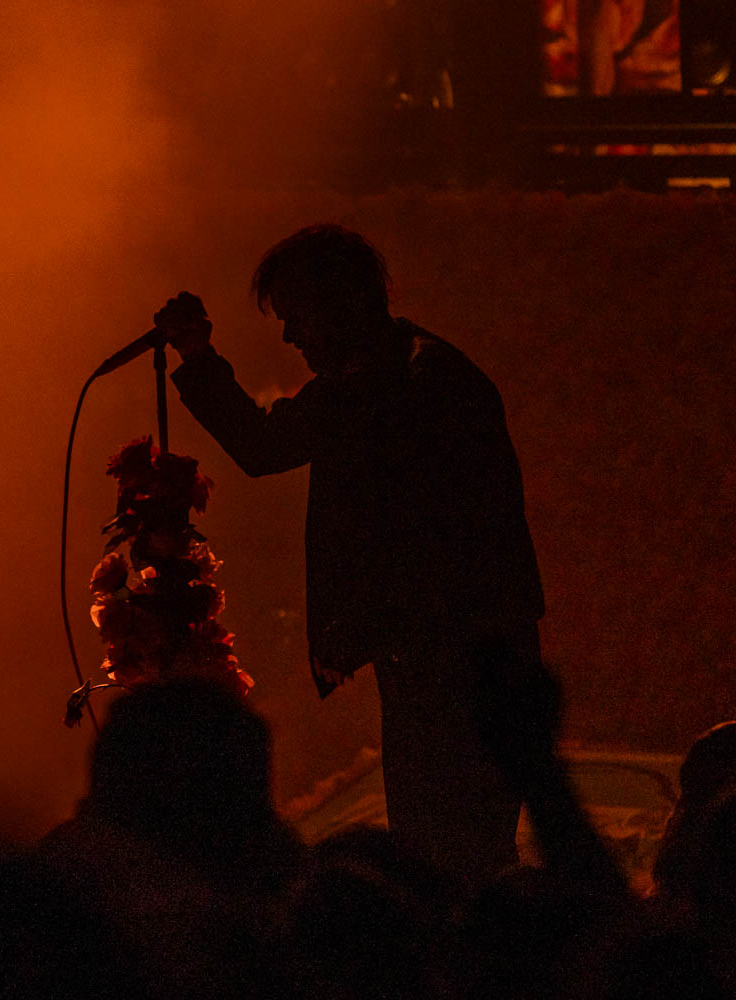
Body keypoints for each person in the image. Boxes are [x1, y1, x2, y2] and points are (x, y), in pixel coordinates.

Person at [153, 224, 546, 880]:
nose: (290, 336)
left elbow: (266, 449)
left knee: (446, 848)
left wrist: (198, 360)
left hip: (450, 656)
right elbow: (268, 447)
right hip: (457, 650)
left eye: (296, 315)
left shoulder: (398, 387)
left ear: (343, 303)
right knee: (453, 845)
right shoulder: (404, 376)